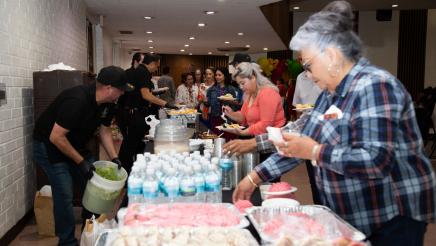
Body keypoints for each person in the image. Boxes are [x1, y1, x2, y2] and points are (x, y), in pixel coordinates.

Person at [233, 1, 436, 245]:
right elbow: (302, 134)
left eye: (308, 65)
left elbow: (376, 160)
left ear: (331, 55)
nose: (306, 74)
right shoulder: (331, 92)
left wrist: (315, 151)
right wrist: (255, 176)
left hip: (391, 216)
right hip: (357, 213)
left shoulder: (374, 85)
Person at [33, 66, 132, 245]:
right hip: (49, 146)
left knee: (93, 185)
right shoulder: (77, 100)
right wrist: (81, 162)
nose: (122, 94)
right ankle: (67, 241)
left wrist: (114, 157)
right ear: (109, 88)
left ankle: (89, 231)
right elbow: (56, 137)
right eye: (121, 89)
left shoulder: (108, 104)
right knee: (64, 193)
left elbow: (104, 130)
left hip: (73, 143)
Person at [117, 53, 177, 174]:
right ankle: (125, 175)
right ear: (153, 63)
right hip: (133, 113)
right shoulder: (143, 72)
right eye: (156, 66)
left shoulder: (138, 70)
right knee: (130, 146)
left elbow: (141, 92)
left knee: (135, 145)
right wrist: (165, 103)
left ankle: (135, 171)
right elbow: (145, 95)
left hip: (132, 112)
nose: (156, 69)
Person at [223, 62, 286, 136]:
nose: (240, 87)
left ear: (253, 77)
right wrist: (231, 114)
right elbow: (243, 116)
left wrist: (243, 132)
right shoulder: (250, 94)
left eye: (243, 83)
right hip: (260, 137)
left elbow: (266, 124)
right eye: (239, 84)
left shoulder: (267, 93)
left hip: (274, 138)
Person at [206, 67, 238, 139]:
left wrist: (231, 103)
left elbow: (235, 106)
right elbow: (208, 104)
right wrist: (205, 101)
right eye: (216, 75)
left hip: (228, 120)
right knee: (216, 140)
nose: (217, 77)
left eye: (219, 75)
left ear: (225, 76)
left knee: (228, 141)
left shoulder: (231, 89)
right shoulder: (211, 90)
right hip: (215, 119)